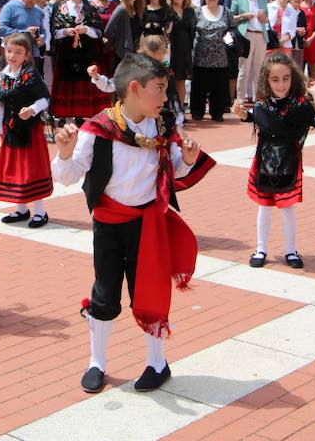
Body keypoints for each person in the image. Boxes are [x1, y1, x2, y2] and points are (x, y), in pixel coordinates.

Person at [51, 53, 215, 393]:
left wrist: (184, 160)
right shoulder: (98, 129)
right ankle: (97, 362)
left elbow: (172, 169)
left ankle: (157, 362)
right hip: (109, 224)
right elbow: (68, 177)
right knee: (105, 293)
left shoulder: (163, 125)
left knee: (148, 294)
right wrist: (64, 152)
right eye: (159, 90)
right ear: (136, 89)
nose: (165, 98)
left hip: (147, 225)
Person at [232, 53, 315, 269]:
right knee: (264, 207)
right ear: (267, 80)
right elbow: (254, 117)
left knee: (287, 208)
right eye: (275, 79)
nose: (281, 84)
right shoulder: (262, 104)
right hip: (265, 159)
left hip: (289, 161)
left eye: (286, 78)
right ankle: (261, 248)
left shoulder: (300, 105)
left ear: (293, 77)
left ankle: (291, 251)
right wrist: (242, 114)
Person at [0, 33, 53, 228]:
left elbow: (45, 99)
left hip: (30, 131)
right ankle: (21, 209)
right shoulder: (2, 76)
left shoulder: (31, 76)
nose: (12, 55)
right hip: (10, 130)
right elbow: (0, 105)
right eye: (9, 51)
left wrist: (32, 110)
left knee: (31, 170)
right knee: (17, 170)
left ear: (26, 55)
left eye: (18, 52)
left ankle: (40, 212)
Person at [50, 0, 110, 122]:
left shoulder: (91, 8)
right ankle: (69, 119)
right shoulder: (60, 8)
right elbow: (54, 32)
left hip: (87, 55)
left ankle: (84, 118)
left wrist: (87, 30)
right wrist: (65, 32)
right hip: (66, 56)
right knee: (68, 86)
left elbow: (98, 33)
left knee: (86, 85)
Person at [191, 0, 235, 121]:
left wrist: (229, 36)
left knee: (219, 86)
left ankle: (217, 112)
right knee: (199, 86)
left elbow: (233, 28)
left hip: (220, 57)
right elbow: (191, 30)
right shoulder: (197, 12)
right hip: (201, 56)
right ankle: (197, 111)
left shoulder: (226, 11)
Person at [230, 0, 270, 103]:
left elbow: (266, 21)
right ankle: (240, 99)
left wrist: (264, 18)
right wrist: (244, 16)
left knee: (259, 69)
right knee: (244, 69)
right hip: (245, 35)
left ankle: (258, 98)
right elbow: (231, 17)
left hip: (260, 36)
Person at [0, 0, 47, 69]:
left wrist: (42, 39)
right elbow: (0, 29)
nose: (34, 1)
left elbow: (43, 31)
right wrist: (23, 32)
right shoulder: (9, 7)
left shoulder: (38, 11)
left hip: (33, 55)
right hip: (13, 56)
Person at [167, 0, 196, 108]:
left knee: (181, 81)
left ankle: (180, 111)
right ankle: (168, 110)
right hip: (169, 50)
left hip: (184, 50)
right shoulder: (167, 11)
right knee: (166, 81)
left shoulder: (190, 11)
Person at [104, 0, 144, 64]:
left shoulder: (137, 8)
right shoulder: (121, 9)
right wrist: (117, 42)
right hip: (123, 51)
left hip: (136, 49)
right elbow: (108, 30)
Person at [89, 0, 119, 76]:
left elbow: (117, 27)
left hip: (110, 45)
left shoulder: (114, 6)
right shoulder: (89, 5)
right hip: (93, 44)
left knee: (109, 74)